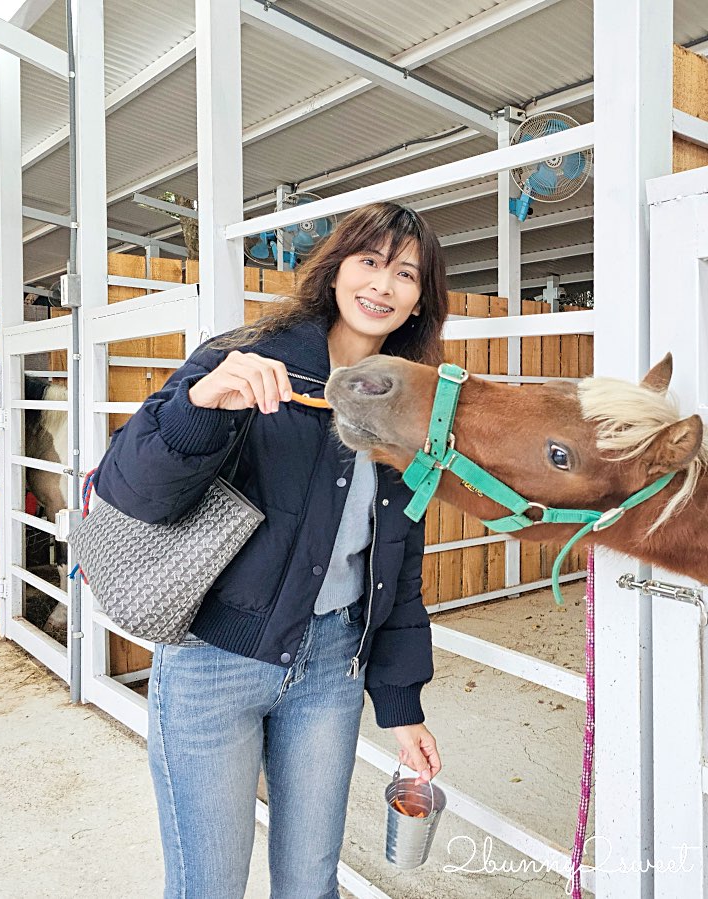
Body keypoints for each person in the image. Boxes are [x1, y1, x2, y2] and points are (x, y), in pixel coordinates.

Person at [94, 202, 447, 898]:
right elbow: (128, 487)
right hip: (212, 666)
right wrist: (203, 400)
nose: (383, 284)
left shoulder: (408, 409)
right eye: (370, 260)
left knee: (311, 883)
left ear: (419, 300)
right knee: (209, 885)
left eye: (405, 273)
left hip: (331, 672)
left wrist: (401, 704)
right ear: (338, 267)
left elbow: (398, 569)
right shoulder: (247, 355)